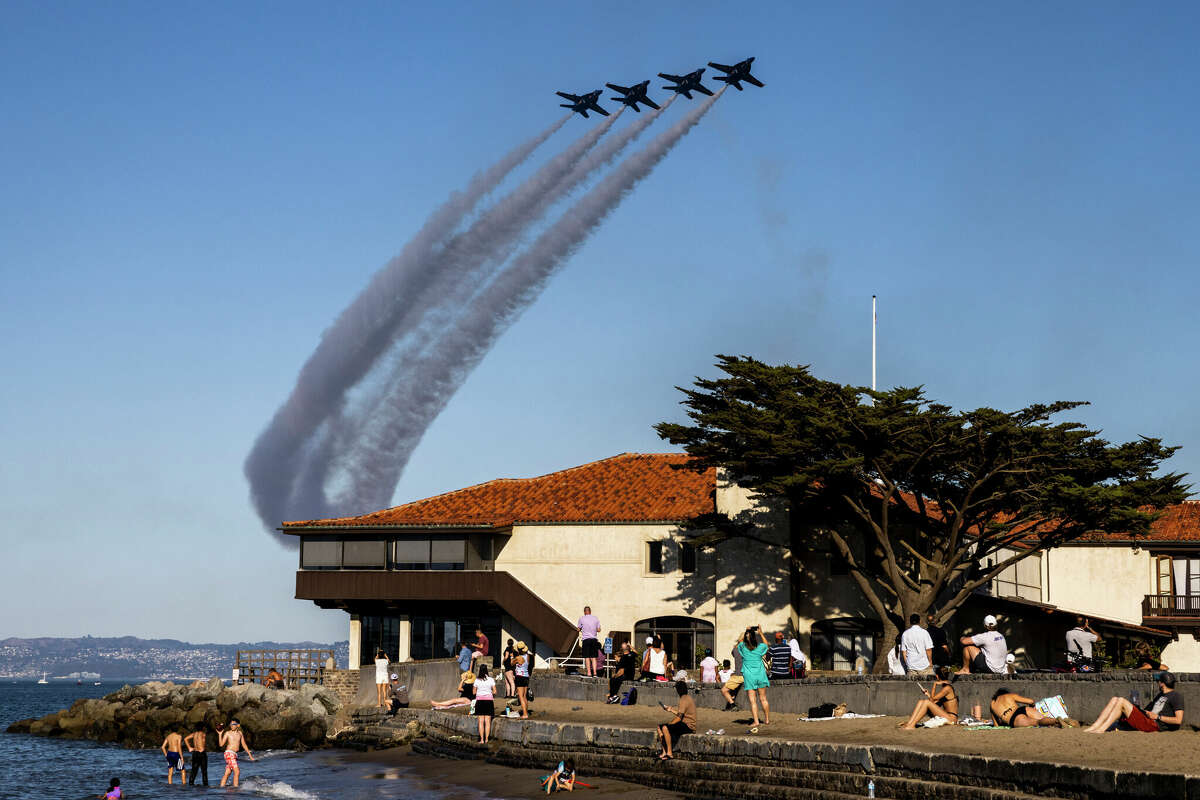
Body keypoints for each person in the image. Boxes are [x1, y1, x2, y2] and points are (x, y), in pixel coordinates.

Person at [1085, 671, 1184, 733]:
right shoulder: (1160, 695)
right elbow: (1148, 710)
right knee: (1115, 699)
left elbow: (1178, 720)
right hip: (1148, 718)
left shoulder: (1176, 696)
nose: (1157, 683)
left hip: (1154, 724)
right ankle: (1095, 726)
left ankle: (1102, 729)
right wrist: (1139, 708)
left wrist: (1157, 717)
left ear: (1162, 683)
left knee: (1121, 701)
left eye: (1158, 681)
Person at [736, 625, 770, 732]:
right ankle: (767, 719)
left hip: (749, 676)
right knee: (763, 698)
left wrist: (746, 630)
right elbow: (766, 644)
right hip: (760, 675)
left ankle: (756, 721)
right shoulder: (760, 648)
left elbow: (739, 640)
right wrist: (760, 632)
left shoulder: (743, 647)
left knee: (753, 701)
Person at [656, 680, 697, 760]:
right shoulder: (687, 698)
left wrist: (670, 724)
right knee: (659, 727)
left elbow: (679, 718)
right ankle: (664, 752)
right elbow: (682, 714)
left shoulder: (683, 700)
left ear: (678, 690)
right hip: (686, 724)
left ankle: (669, 753)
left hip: (689, 726)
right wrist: (671, 710)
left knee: (665, 727)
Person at [990, 689, 1062, 728]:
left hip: (1014, 719)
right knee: (1043, 718)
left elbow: (996, 726)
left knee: (1037, 722)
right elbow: (1031, 701)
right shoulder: (1010, 695)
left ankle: (1056, 721)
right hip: (1023, 709)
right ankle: (1059, 721)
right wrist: (1032, 706)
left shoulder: (992, 704)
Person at [217, 719, 255, 788]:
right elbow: (221, 744)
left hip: (234, 754)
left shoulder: (240, 733)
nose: (231, 725)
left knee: (228, 773)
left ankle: (221, 788)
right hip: (229, 753)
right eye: (230, 724)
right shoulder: (228, 733)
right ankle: (235, 789)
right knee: (237, 771)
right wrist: (220, 734)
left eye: (233, 724)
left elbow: (244, 744)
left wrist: (250, 756)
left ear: (238, 725)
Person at [473, 664, 496, 743]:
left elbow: (474, 692)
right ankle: (487, 739)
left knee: (481, 722)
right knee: (488, 721)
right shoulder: (491, 679)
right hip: (489, 701)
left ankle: (482, 740)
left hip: (479, 701)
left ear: (480, 670)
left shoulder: (477, 680)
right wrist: (489, 692)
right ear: (487, 670)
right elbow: (495, 691)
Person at [578, 606, 602, 677]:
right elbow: (599, 630)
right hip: (594, 640)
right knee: (594, 657)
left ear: (584, 612)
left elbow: (578, 629)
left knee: (587, 657)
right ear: (590, 611)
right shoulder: (595, 618)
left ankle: (589, 673)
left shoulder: (582, 618)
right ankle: (595, 673)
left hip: (586, 640)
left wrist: (583, 629)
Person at [721, 646, 744, 711]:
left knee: (724, 690)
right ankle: (732, 699)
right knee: (733, 690)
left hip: (739, 675)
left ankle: (733, 705)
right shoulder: (750, 650)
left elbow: (733, 653)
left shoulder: (736, 649)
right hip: (748, 675)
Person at [513, 641, 532, 718]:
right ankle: (526, 712)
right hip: (526, 676)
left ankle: (525, 714)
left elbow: (511, 663)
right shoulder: (527, 656)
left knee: (520, 696)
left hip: (520, 677)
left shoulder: (518, 658)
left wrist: (512, 657)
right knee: (524, 696)